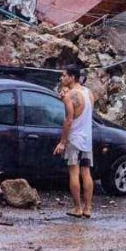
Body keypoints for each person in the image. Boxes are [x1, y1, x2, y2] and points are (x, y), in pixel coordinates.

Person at [55, 65, 95, 219]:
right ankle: (88, 208)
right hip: (87, 138)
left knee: (74, 171)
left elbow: (69, 120)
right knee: (86, 172)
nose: (61, 78)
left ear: (71, 77)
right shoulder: (89, 93)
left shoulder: (70, 95)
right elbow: (87, 114)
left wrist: (62, 142)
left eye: (64, 75)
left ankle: (77, 208)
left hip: (74, 138)